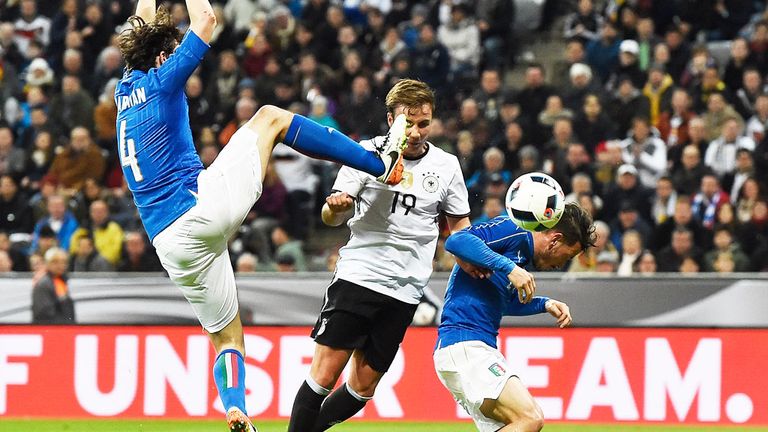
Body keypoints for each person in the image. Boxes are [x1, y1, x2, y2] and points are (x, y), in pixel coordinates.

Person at [115, 2, 408, 430]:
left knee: (226, 338)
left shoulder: (125, 88)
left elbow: (142, 22)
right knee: (270, 118)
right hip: (198, 207)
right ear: (162, 57)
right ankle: (377, 163)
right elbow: (207, 21)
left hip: (169, 243)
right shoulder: (162, 81)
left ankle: (236, 407)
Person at [287, 79, 471, 432]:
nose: (416, 132)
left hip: (406, 290)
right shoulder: (365, 154)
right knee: (323, 376)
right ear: (391, 120)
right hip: (360, 277)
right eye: (408, 122)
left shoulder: (447, 166)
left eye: (424, 123)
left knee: (362, 389)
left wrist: (475, 259)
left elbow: (459, 228)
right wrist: (335, 207)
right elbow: (332, 217)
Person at [434, 202, 596, 432]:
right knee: (531, 417)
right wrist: (509, 268)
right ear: (555, 240)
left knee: (517, 424)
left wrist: (545, 304)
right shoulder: (516, 229)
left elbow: (500, 303)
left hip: (469, 347)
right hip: (464, 344)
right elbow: (456, 240)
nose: (561, 264)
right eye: (567, 256)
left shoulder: (523, 258)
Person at [32, 247, 75, 324]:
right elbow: (44, 313)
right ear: (47, 263)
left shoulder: (61, 281)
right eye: (55, 262)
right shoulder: (43, 284)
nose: (60, 265)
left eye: (64, 262)